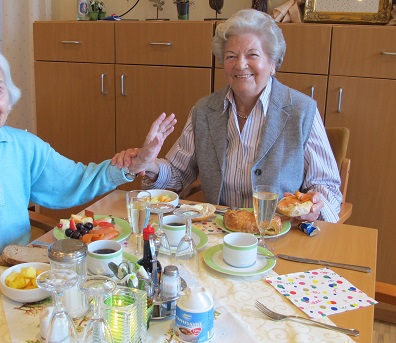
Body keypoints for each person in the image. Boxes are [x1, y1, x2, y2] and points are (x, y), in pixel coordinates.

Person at [0, 46, 176, 300]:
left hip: (23, 277)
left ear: (9, 98)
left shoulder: (23, 146)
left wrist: (137, 162)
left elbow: (75, 181)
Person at [114, 9, 342, 222]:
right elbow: (178, 174)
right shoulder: (204, 111)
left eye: (252, 54)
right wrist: (150, 164)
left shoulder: (302, 110)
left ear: (272, 64)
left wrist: (314, 206)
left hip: (279, 233)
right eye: (231, 56)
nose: (241, 65)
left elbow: (327, 186)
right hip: (221, 233)